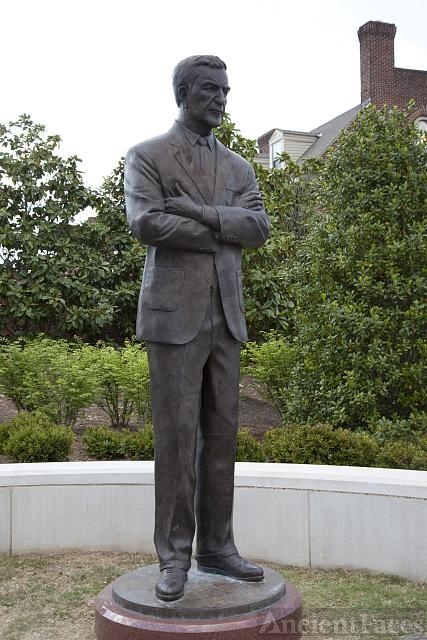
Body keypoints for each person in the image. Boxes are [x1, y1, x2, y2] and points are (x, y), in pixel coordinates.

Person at [124, 55, 269, 601]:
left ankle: (217, 547)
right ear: (184, 92)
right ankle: (174, 557)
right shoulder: (148, 155)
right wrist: (223, 228)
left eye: (226, 90)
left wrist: (205, 215)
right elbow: (148, 221)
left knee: (223, 439)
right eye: (210, 89)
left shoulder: (239, 168)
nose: (222, 99)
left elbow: (257, 227)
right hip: (173, 318)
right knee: (177, 440)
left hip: (226, 316)